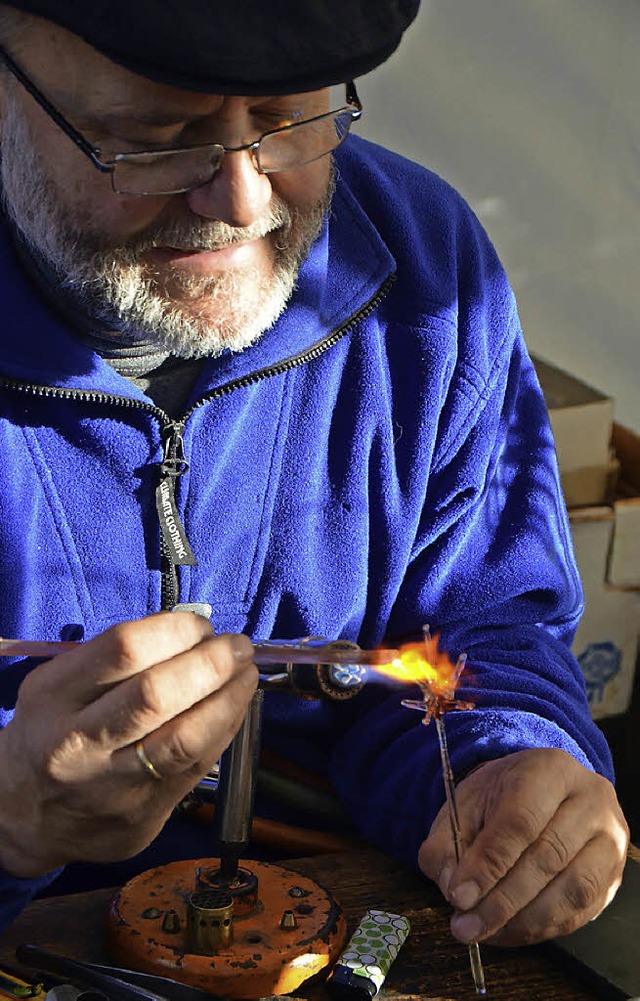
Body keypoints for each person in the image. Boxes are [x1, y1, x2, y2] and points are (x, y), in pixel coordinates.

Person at [0, 0, 628, 952]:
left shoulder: (423, 272)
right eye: (156, 139)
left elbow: (486, 625)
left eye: (289, 119)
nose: (244, 202)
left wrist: (505, 761)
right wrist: (8, 827)